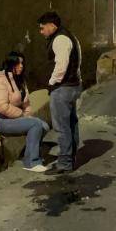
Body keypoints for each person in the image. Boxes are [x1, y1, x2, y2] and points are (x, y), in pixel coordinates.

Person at [0, 52, 50, 172]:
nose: (21, 66)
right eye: (17, 63)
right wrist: (21, 115)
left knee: (44, 126)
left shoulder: (19, 79)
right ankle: (31, 162)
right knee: (35, 125)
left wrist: (27, 115)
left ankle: (29, 154)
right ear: (10, 64)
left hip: (12, 118)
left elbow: (26, 103)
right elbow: (1, 106)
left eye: (22, 63)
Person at [37, 11, 82, 174]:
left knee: (62, 127)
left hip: (63, 88)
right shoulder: (69, 36)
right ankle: (71, 157)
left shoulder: (60, 39)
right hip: (73, 86)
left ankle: (65, 162)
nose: (41, 32)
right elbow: (77, 63)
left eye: (42, 28)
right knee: (71, 123)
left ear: (51, 26)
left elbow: (61, 66)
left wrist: (51, 83)